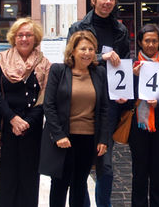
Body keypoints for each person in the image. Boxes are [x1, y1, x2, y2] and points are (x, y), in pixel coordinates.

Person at [67, 0, 130, 207]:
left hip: (109, 104)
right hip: (81, 103)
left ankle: (104, 204)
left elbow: (123, 65)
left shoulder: (120, 30)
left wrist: (125, 92)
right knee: (80, 162)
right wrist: (97, 58)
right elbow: (69, 62)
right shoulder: (78, 29)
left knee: (106, 162)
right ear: (93, 0)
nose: (108, 2)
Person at [39, 30, 109, 207]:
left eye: (91, 49)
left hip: (88, 138)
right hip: (64, 139)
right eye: (83, 49)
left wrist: (103, 139)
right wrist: (58, 135)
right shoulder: (58, 70)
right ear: (73, 50)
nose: (87, 53)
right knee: (59, 185)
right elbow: (49, 105)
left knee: (79, 185)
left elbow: (104, 109)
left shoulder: (99, 73)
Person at [0, 17, 51, 207]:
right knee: (6, 178)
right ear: (14, 38)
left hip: (31, 128)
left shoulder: (44, 63)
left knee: (29, 178)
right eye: (20, 35)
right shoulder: (1, 60)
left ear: (36, 38)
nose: (24, 38)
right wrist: (13, 119)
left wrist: (28, 122)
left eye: (28, 35)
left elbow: (44, 96)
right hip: (5, 126)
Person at [120, 24, 159, 207]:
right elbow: (126, 97)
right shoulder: (131, 65)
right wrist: (134, 77)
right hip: (138, 125)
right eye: (147, 41)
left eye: (154, 41)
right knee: (139, 171)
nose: (151, 45)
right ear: (140, 42)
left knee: (158, 171)